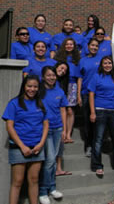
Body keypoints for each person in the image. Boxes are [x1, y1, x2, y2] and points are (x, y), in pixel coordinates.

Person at [2, 75, 49, 204]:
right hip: (19, 148)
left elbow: (46, 125)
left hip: (37, 148)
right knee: (17, 182)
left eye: (35, 86)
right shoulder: (14, 103)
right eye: (29, 86)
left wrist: (41, 144)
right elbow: (9, 127)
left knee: (34, 180)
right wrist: (22, 146)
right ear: (24, 87)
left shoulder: (41, 103)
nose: (32, 89)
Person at [88, 56, 114, 175]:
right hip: (100, 110)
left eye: (109, 63)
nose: (107, 65)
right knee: (99, 139)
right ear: (101, 65)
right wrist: (92, 112)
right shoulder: (96, 77)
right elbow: (91, 94)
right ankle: (97, 165)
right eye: (105, 63)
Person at [38, 66, 68, 204]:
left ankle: (52, 188)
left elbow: (63, 111)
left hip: (57, 128)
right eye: (48, 75)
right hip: (45, 130)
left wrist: (64, 130)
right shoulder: (39, 91)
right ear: (43, 77)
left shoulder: (60, 91)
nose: (51, 77)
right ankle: (43, 191)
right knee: (49, 159)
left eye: (53, 75)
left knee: (53, 158)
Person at [77, 38, 102, 157]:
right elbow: (80, 78)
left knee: (99, 122)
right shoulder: (83, 60)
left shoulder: (102, 60)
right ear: (88, 46)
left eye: (96, 46)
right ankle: (89, 146)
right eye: (92, 45)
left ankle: (98, 145)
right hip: (86, 94)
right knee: (88, 122)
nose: (94, 47)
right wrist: (78, 95)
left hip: (99, 94)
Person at [54, 38, 81, 143]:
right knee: (62, 109)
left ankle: (68, 134)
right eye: (67, 44)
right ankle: (62, 133)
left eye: (71, 44)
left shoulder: (77, 60)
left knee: (70, 110)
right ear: (64, 45)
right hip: (61, 84)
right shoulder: (58, 59)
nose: (69, 46)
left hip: (72, 85)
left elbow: (79, 77)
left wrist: (78, 93)